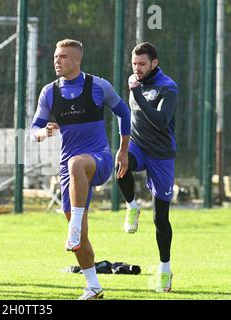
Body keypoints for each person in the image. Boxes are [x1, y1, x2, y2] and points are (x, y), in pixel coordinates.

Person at [29, 39, 130, 300]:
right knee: (80, 239)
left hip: (99, 159)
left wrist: (123, 149)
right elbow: (33, 131)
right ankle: (93, 286)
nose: (56, 61)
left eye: (63, 56)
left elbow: (124, 113)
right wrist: (43, 132)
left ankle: (73, 226)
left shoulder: (98, 86)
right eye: (55, 56)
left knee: (77, 163)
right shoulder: (49, 92)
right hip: (70, 172)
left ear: (77, 60)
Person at [117, 42, 178, 293]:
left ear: (155, 62)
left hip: (161, 155)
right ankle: (132, 207)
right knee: (121, 164)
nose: (137, 68)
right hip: (138, 148)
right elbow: (128, 115)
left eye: (142, 63)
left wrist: (138, 94)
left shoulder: (168, 87)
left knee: (160, 218)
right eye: (134, 64)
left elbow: (162, 122)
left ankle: (165, 268)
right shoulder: (134, 82)